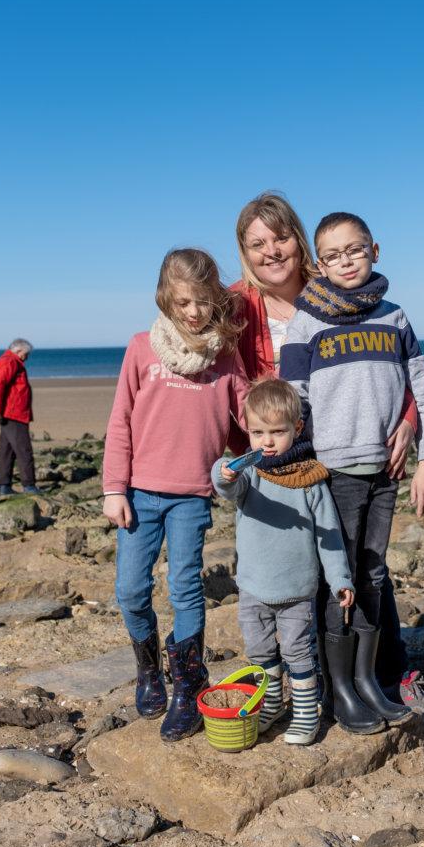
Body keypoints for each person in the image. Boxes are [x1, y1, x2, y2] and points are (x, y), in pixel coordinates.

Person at [232, 193, 424, 728]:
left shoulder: (382, 310)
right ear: (245, 252)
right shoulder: (244, 307)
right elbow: (287, 397)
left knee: (368, 572)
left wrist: (419, 440)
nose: (272, 250)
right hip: (307, 466)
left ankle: (372, 678)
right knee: (327, 574)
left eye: (280, 237)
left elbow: (412, 381)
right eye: (258, 243)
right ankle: (329, 687)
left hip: (378, 461)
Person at [102, 248, 249, 743]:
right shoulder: (142, 347)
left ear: (216, 302)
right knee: (130, 590)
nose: (193, 312)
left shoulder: (225, 356)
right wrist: (113, 488)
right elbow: (120, 422)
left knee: (186, 588)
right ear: (167, 298)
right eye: (184, 301)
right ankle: (148, 668)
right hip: (139, 495)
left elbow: (246, 419)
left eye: (203, 302)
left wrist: (278, 428)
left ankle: (187, 683)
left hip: (192, 496)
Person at [212, 378, 358, 744]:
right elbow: (227, 487)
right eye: (258, 432)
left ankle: (307, 710)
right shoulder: (249, 473)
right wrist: (223, 472)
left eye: (277, 432)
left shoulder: (311, 481)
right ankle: (273, 701)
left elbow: (330, 536)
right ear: (248, 430)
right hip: (252, 587)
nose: (268, 441)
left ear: (297, 428)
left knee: (298, 650)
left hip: (296, 588)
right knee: (259, 649)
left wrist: (341, 579)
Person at [0, 338, 39, 496]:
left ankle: (5, 485)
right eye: (26, 354)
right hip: (13, 414)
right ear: (18, 351)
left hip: (12, 413)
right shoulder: (10, 362)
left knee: (7, 450)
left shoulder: (10, 361)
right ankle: (29, 485)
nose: (27, 357)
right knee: (24, 450)